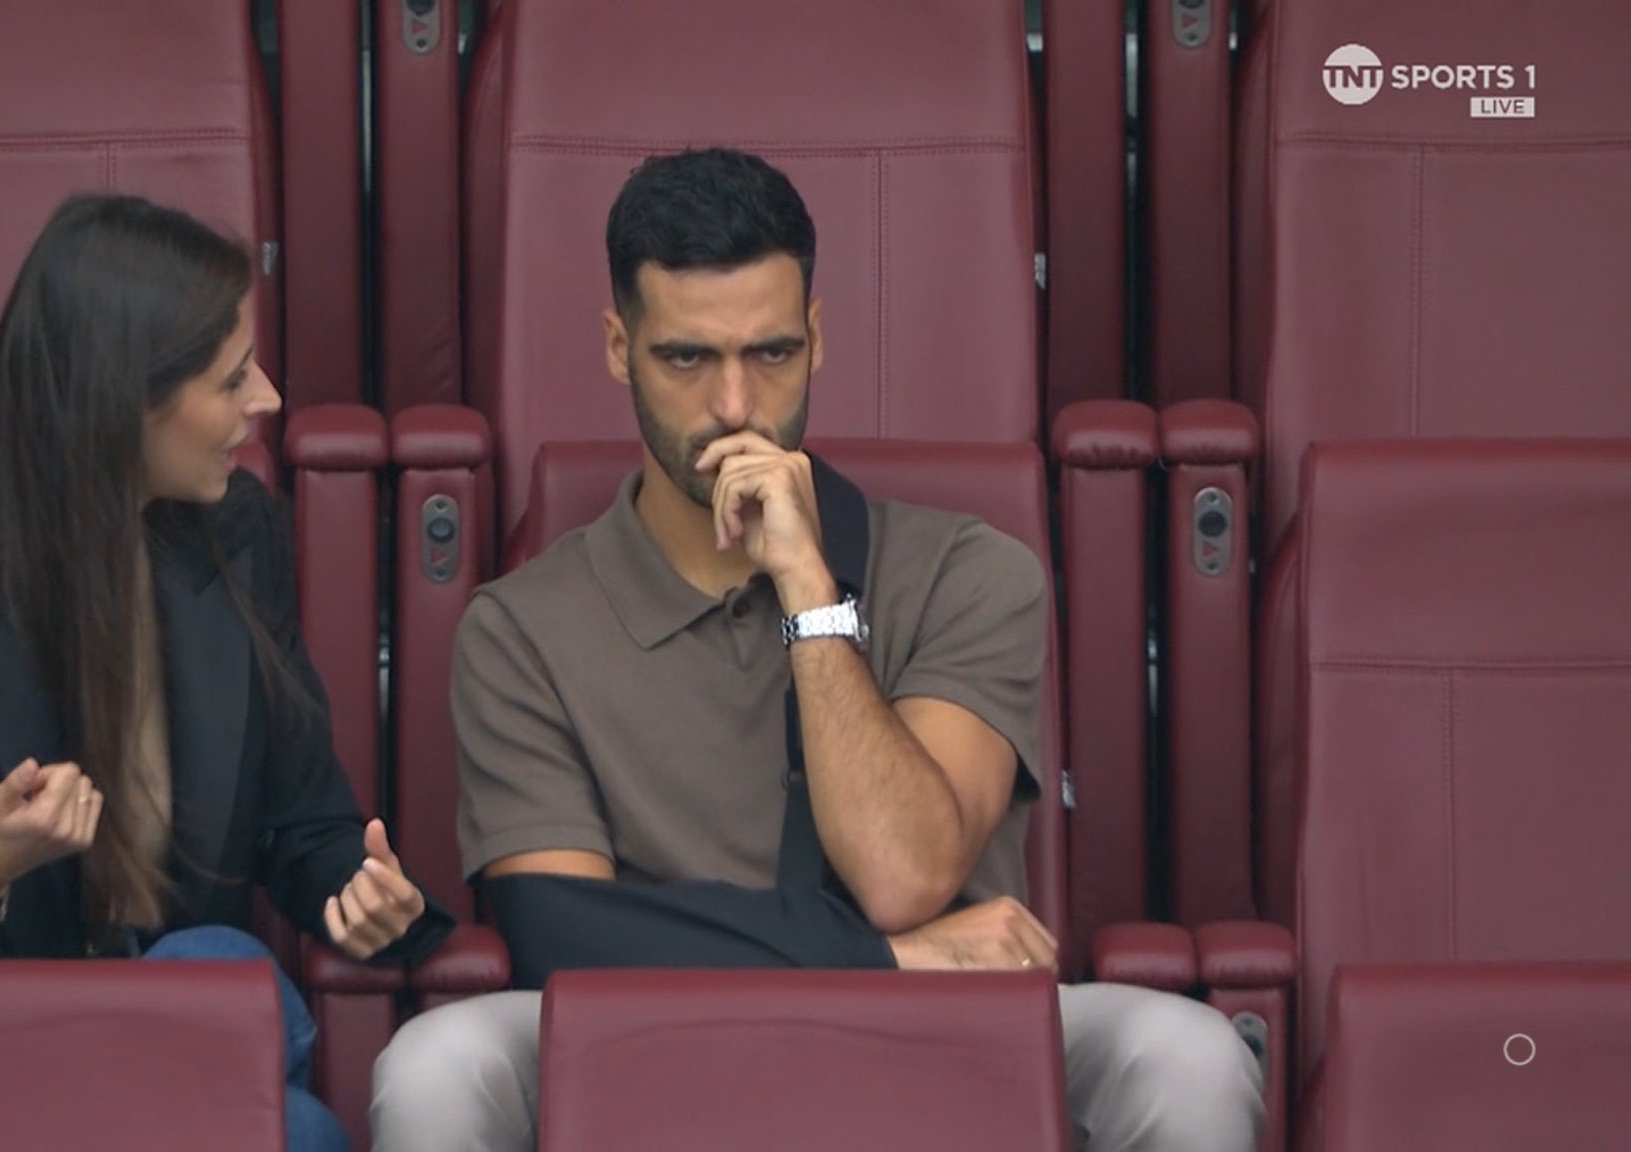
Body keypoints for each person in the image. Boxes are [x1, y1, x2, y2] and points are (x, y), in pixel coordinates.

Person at [368, 149, 1263, 1151]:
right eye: (685, 359)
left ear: (817, 339)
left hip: (950, 1040)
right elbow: (562, 934)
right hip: (654, 1044)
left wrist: (809, 588)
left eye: (770, 353)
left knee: (1185, 1052)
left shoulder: (970, 571)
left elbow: (903, 874)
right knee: (435, 1065)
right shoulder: (519, 627)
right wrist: (888, 958)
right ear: (618, 348)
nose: (735, 406)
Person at [0, 193, 453, 1151]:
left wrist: (360, 891)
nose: (265, 400)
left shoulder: (238, 538)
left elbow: (303, 824)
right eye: (232, 381)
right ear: (126, 401)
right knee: (252, 1034)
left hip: (196, 1052)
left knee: (225, 988)